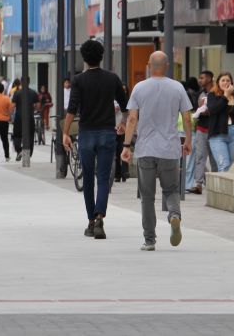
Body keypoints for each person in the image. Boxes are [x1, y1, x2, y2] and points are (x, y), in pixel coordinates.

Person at [121, 51, 192, 251]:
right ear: (167, 65)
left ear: (149, 65)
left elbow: (132, 118)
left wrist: (126, 146)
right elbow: (187, 118)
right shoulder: (177, 87)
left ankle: (150, 240)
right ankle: (174, 215)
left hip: (145, 149)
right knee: (170, 190)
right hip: (169, 149)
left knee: (148, 196)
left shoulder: (139, 88)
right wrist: (188, 141)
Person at [62, 39, 127, 240]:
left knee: (88, 178)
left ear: (84, 58)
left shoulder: (79, 80)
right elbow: (125, 104)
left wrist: (65, 132)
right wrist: (123, 122)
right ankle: (100, 217)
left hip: (87, 134)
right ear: (101, 56)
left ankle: (91, 221)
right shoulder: (112, 78)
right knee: (104, 177)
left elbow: (72, 109)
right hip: (107, 133)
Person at [206, 72, 234, 172]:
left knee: (231, 166)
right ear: (218, 83)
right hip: (218, 134)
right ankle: (223, 188)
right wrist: (225, 96)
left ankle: (227, 187)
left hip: (233, 132)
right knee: (224, 165)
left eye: (228, 80)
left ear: (231, 82)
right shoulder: (212, 95)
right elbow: (213, 110)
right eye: (223, 80)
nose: (225, 82)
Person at [190, 70, 216, 194]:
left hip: (214, 129)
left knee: (214, 158)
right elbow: (196, 110)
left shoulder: (217, 92)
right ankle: (198, 184)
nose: (200, 80)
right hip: (201, 128)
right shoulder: (199, 93)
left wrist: (209, 110)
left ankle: (216, 183)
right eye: (199, 78)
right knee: (200, 156)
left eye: (202, 78)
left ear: (210, 78)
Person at [11, 79, 40, 161]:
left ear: (21, 82)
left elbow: (12, 106)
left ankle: (19, 150)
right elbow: (38, 106)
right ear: (29, 82)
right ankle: (29, 153)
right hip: (30, 117)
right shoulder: (34, 93)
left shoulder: (17, 93)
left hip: (18, 117)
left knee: (17, 135)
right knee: (30, 135)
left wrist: (10, 116)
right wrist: (33, 107)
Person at [113, 84, 130, 182]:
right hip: (114, 127)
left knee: (122, 149)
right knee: (116, 151)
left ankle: (125, 173)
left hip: (125, 128)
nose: (123, 92)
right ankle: (117, 174)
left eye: (125, 90)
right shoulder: (114, 100)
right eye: (121, 90)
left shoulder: (129, 101)